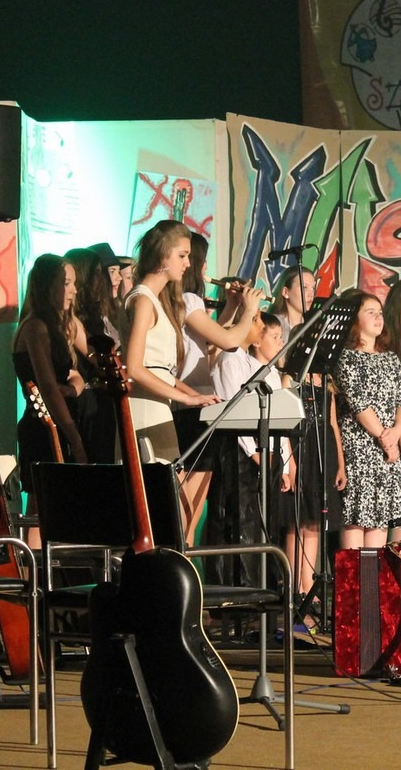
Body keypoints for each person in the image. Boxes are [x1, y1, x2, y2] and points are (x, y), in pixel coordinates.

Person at [176, 231, 264, 545]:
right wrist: (248, 311)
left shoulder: (188, 303)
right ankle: (181, 558)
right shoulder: (188, 300)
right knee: (187, 507)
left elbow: (210, 342)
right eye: (202, 263)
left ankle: (184, 556)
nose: (204, 270)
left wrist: (231, 307)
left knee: (191, 507)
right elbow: (227, 341)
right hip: (191, 402)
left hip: (194, 401)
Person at [122, 220, 219, 466]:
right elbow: (134, 368)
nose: (188, 263)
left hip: (158, 408)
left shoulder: (155, 300)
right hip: (145, 410)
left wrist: (194, 395)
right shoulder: (143, 300)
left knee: (168, 481)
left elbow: (159, 369)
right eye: (182, 255)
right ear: (163, 255)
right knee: (158, 482)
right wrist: (185, 398)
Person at [210, 312, 295, 587]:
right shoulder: (230, 360)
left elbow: (276, 419)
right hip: (240, 453)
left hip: (265, 454)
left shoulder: (258, 367)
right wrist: (255, 452)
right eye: (256, 321)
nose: (258, 327)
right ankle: (236, 588)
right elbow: (234, 414)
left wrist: (283, 461)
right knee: (238, 521)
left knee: (260, 523)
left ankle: (260, 585)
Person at [13, 254, 90, 546]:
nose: (74, 291)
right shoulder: (36, 327)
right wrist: (75, 438)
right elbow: (47, 386)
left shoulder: (59, 325)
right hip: (43, 427)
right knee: (40, 507)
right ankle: (33, 568)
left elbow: (75, 376)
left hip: (59, 423)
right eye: (66, 283)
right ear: (48, 286)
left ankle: (47, 566)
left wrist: (73, 388)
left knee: (55, 505)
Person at [332, 290, 401, 549]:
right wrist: (385, 438)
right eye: (370, 312)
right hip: (360, 447)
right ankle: (355, 576)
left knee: (379, 521)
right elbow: (359, 405)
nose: (378, 318)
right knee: (357, 519)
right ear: (355, 319)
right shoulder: (346, 357)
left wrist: (396, 433)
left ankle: (371, 578)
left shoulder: (391, 358)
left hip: (387, 450)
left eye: (380, 313)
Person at [62, 247, 119, 463]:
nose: (102, 279)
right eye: (97, 273)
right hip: (89, 400)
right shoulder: (73, 319)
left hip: (103, 398)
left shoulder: (99, 314)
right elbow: (96, 357)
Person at [270, 265, 316, 340]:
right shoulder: (273, 326)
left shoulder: (312, 326)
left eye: (313, 288)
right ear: (286, 292)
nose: (311, 294)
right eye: (304, 287)